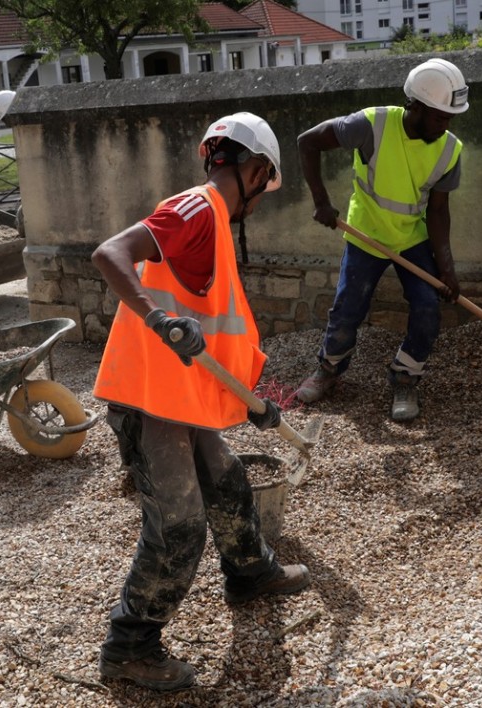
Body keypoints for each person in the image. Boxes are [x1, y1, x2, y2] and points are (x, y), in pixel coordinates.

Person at [90, 112, 311, 692]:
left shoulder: (210, 221)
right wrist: (158, 318)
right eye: (266, 185)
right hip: (148, 401)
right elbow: (109, 252)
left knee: (227, 478)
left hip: (181, 397)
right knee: (180, 528)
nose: (260, 201)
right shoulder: (195, 209)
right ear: (257, 169)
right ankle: (129, 648)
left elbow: (214, 334)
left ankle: (248, 572)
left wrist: (254, 405)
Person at [294, 58, 468, 421]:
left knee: (427, 307)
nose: (445, 125)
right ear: (416, 106)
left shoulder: (449, 149)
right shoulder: (372, 124)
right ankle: (329, 370)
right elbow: (307, 142)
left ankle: (405, 377)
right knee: (348, 308)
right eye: (439, 116)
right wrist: (322, 202)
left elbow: (438, 211)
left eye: (450, 118)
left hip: (411, 238)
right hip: (366, 234)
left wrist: (447, 269)